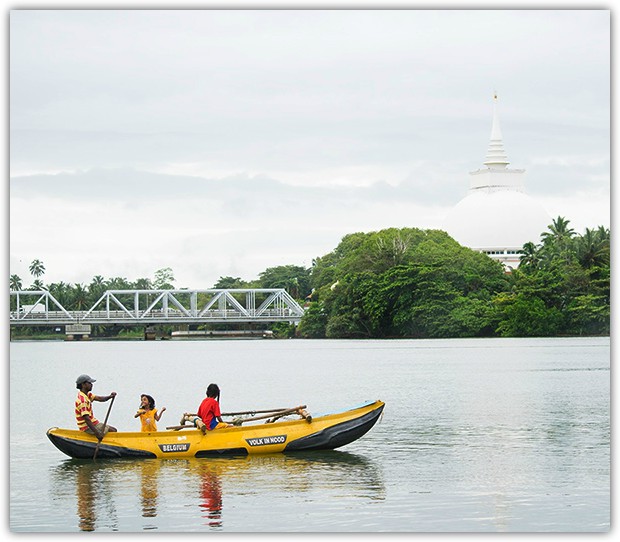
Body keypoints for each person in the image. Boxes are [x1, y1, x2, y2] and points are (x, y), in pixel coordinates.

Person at [75, 374, 117, 438]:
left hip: (93, 423)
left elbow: (100, 398)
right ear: (83, 385)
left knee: (113, 430)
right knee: (113, 431)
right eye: (89, 383)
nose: (92, 385)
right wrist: (97, 433)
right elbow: (87, 419)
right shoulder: (82, 401)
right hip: (87, 427)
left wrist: (110, 396)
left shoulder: (87, 395)